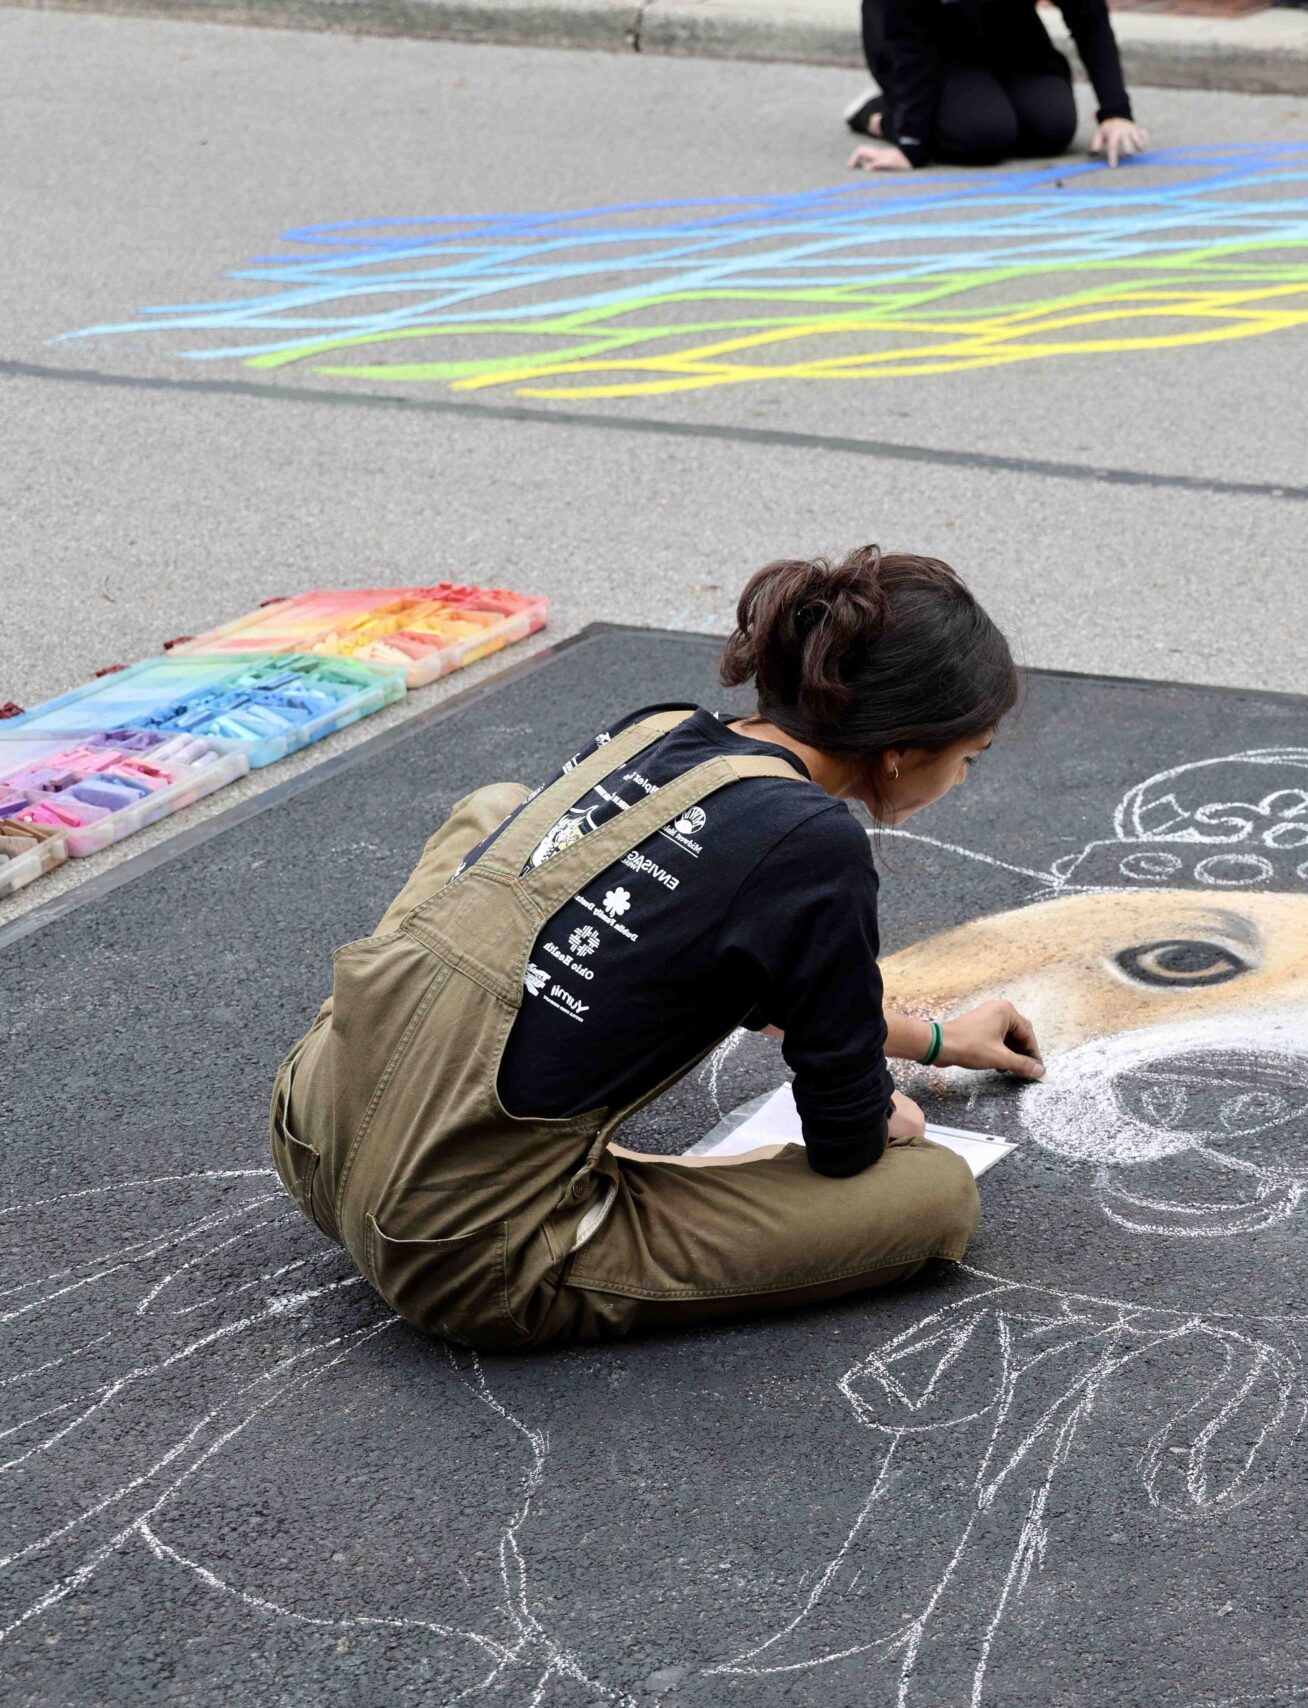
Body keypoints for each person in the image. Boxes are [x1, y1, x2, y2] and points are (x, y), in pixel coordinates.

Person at [267, 548, 1046, 1351]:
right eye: (968, 759)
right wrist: (887, 1116)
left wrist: (942, 1043)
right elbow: (844, 1140)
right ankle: (588, 1190)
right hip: (460, 1253)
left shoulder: (663, 732)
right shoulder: (815, 845)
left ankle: (428, 1130)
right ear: (903, 749)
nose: (960, 780)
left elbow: (776, 986)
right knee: (933, 1193)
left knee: (497, 814)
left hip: (312, 1131)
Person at [844, 0, 1150, 171]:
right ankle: (878, 113)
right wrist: (911, 144)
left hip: (1005, 32)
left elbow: (1089, 18)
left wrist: (1115, 112)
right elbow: (909, 44)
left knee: (1052, 127)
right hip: (925, 42)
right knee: (982, 135)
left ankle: (979, 96)